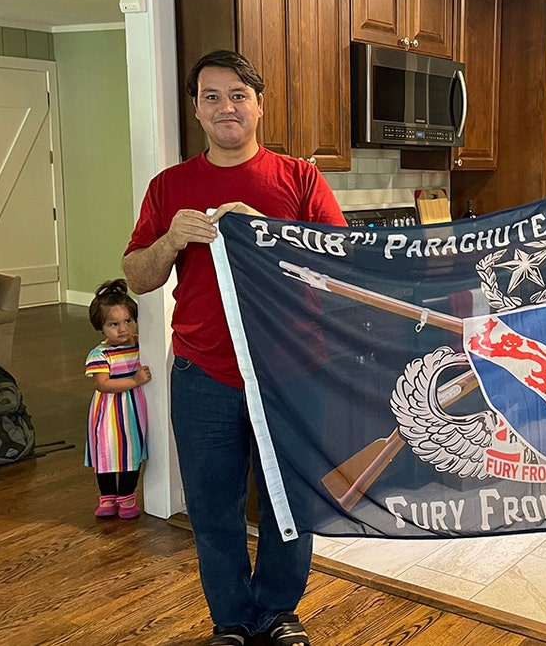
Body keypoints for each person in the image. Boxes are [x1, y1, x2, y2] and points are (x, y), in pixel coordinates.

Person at [123, 50, 347, 646]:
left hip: (291, 373)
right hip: (203, 376)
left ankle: (277, 612)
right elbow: (138, 276)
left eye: (239, 95)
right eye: (213, 96)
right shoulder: (169, 187)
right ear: (196, 109)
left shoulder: (299, 179)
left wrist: (271, 236)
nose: (227, 107)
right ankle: (231, 621)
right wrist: (171, 239)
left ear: (259, 105)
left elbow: (338, 268)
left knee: (290, 503)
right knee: (212, 507)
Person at [85, 279, 150, 520]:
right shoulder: (99, 354)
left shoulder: (141, 345)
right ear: (100, 327)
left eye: (128, 321)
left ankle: (127, 496)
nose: (123, 329)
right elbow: (102, 384)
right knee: (107, 451)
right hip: (109, 413)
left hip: (132, 411)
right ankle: (107, 496)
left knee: (132, 451)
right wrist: (134, 381)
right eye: (114, 324)